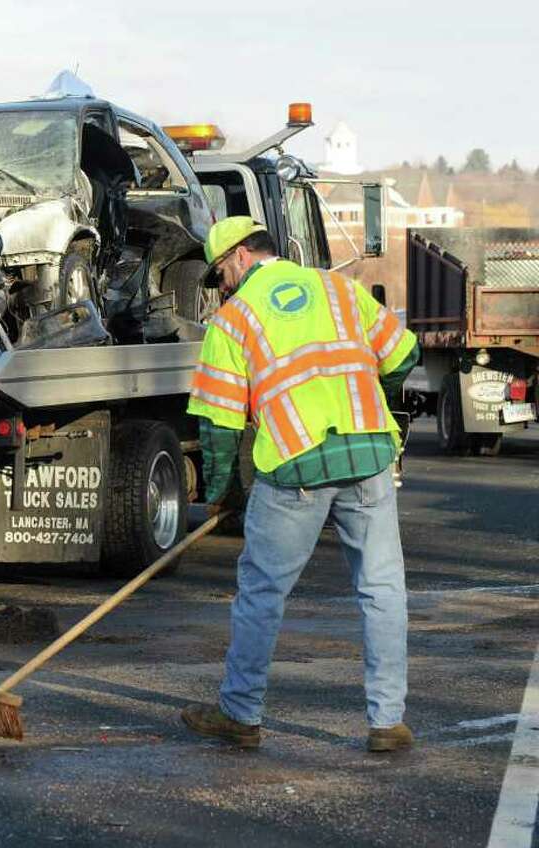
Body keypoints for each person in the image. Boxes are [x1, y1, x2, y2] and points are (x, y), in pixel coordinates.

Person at [180, 216, 420, 753]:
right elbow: (405, 355)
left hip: (295, 467)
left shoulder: (233, 318)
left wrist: (219, 490)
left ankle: (240, 714)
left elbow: (218, 425)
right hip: (368, 456)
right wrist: (371, 396)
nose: (220, 286)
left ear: (241, 257)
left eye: (219, 273)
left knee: (263, 592)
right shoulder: (340, 288)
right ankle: (388, 723)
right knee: (382, 590)